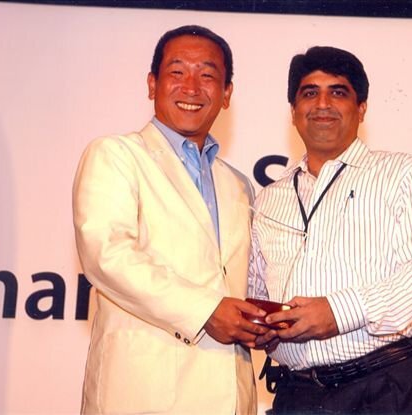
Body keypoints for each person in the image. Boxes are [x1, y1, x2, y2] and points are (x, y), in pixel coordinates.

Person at [248, 46, 412, 414]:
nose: (323, 104)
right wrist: (263, 326)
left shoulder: (398, 173)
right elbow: (257, 291)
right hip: (297, 395)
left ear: (361, 108)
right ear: (294, 111)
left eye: (338, 92)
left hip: (386, 388)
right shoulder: (269, 198)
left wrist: (338, 311)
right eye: (310, 93)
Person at [73, 25, 268, 414]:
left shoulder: (237, 184)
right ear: (152, 84)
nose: (191, 87)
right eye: (177, 72)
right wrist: (207, 310)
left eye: (207, 75)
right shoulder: (116, 155)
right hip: (144, 392)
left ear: (227, 93)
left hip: (229, 394)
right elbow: (107, 255)